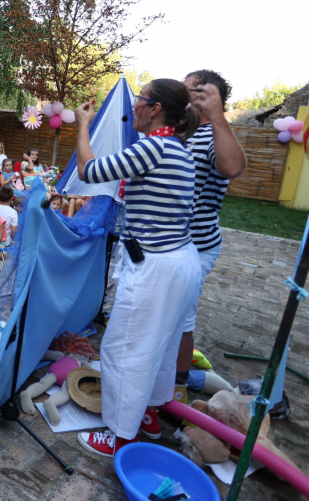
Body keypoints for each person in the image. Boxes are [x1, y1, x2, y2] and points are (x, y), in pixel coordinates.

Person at [73, 78, 202, 457]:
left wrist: (83, 126)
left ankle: (119, 437)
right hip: (179, 260)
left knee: (124, 349)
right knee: (158, 349)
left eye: (140, 101)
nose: (134, 109)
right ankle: (147, 416)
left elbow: (89, 171)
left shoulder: (155, 146)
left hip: (157, 268)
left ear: (156, 108)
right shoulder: (178, 147)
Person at [174, 70, 247, 403]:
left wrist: (218, 118)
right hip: (170, 245)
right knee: (167, 316)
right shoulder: (184, 134)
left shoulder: (214, 134)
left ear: (206, 96)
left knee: (180, 320)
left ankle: (175, 389)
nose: (181, 93)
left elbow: (232, 167)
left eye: (188, 89)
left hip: (196, 247)